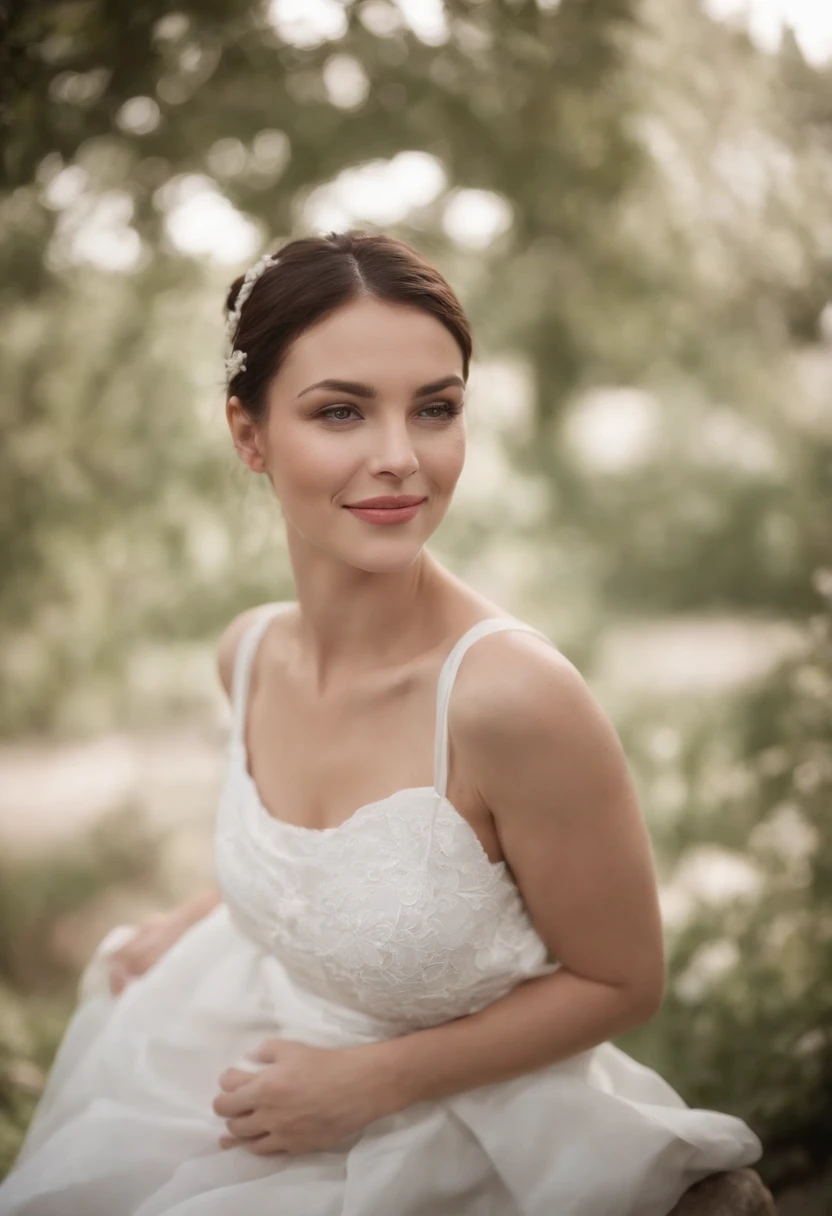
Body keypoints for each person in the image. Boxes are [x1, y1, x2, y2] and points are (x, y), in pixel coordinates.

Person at [0, 231, 769, 1216]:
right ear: (249, 435)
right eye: (340, 411)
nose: (400, 458)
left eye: (436, 409)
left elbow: (623, 982)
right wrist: (213, 905)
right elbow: (336, 860)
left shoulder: (509, 699)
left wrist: (362, 1085)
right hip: (249, 1054)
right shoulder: (248, 653)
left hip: (462, 1133)